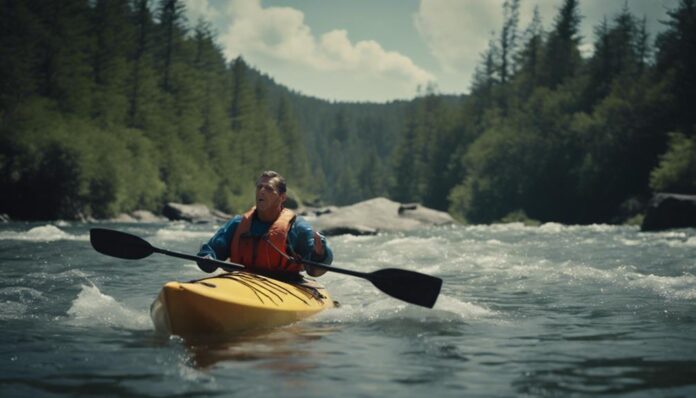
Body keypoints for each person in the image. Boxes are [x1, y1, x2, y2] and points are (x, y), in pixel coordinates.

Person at [197, 170, 331, 278]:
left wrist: (319, 255)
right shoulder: (238, 223)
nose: (261, 191)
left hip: (285, 284)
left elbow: (314, 271)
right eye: (259, 187)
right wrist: (207, 258)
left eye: (269, 189)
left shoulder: (297, 228)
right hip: (241, 280)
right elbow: (212, 250)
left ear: (282, 197)